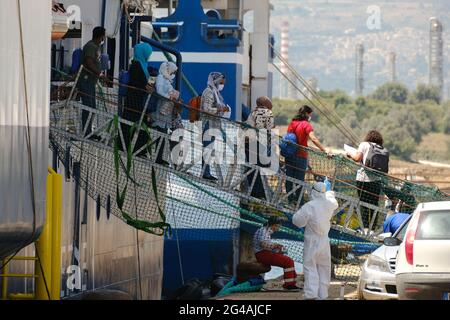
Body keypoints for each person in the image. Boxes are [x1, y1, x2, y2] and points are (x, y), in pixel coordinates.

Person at [292, 179, 339, 300]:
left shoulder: (309, 206)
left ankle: (311, 294)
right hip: (324, 240)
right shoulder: (329, 204)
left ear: (313, 192)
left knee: (310, 266)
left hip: (312, 239)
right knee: (324, 266)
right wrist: (329, 192)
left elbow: (297, 221)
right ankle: (323, 294)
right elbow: (334, 201)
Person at [285, 105, 328, 203]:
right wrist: (324, 150)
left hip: (290, 154)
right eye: (310, 114)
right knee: (299, 180)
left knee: (289, 178)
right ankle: (299, 201)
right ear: (306, 114)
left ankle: (289, 199)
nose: (310, 117)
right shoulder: (306, 124)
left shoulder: (292, 123)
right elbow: (313, 138)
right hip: (301, 156)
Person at [347, 130, 387, 229]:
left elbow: (357, 158)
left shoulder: (364, 144)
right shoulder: (382, 149)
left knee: (363, 203)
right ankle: (372, 229)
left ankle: (364, 227)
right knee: (374, 205)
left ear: (368, 137)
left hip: (363, 179)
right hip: (377, 180)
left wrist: (349, 154)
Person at [122, 42, 155, 156]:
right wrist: (145, 87)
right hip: (134, 100)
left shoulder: (141, 64)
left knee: (138, 123)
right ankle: (134, 148)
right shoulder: (137, 65)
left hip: (138, 99)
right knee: (135, 122)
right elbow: (136, 82)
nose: (149, 56)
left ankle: (139, 149)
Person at [253, 217, 300, 290]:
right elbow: (263, 244)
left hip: (264, 253)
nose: (278, 228)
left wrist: (276, 249)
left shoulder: (265, 231)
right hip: (262, 254)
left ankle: (293, 282)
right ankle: (289, 285)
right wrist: (276, 245)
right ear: (272, 225)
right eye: (277, 226)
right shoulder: (263, 231)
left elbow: (265, 245)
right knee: (288, 261)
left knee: (289, 260)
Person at [200, 72, 230, 181]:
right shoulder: (209, 92)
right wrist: (219, 110)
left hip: (214, 124)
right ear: (216, 81)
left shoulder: (216, 92)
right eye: (221, 83)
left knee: (209, 148)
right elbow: (206, 109)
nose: (222, 85)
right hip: (208, 123)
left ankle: (207, 171)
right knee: (207, 148)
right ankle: (205, 173)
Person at [245, 96, 275, 200]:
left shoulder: (252, 112)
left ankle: (254, 191)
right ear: (266, 103)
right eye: (270, 102)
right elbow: (269, 128)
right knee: (261, 167)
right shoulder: (267, 112)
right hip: (258, 143)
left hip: (248, 142)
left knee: (252, 167)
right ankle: (259, 192)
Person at [78, 26, 106, 137]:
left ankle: (89, 131)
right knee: (88, 107)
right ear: (101, 36)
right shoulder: (90, 46)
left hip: (91, 82)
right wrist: (100, 74)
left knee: (92, 107)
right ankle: (86, 132)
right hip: (86, 81)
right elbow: (88, 62)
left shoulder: (96, 47)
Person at [152, 61, 181, 165]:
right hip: (161, 110)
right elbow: (159, 91)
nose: (173, 74)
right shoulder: (160, 77)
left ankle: (161, 157)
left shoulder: (167, 80)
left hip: (167, 111)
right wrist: (170, 96)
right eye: (172, 72)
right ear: (167, 70)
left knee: (163, 133)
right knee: (161, 133)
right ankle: (158, 157)